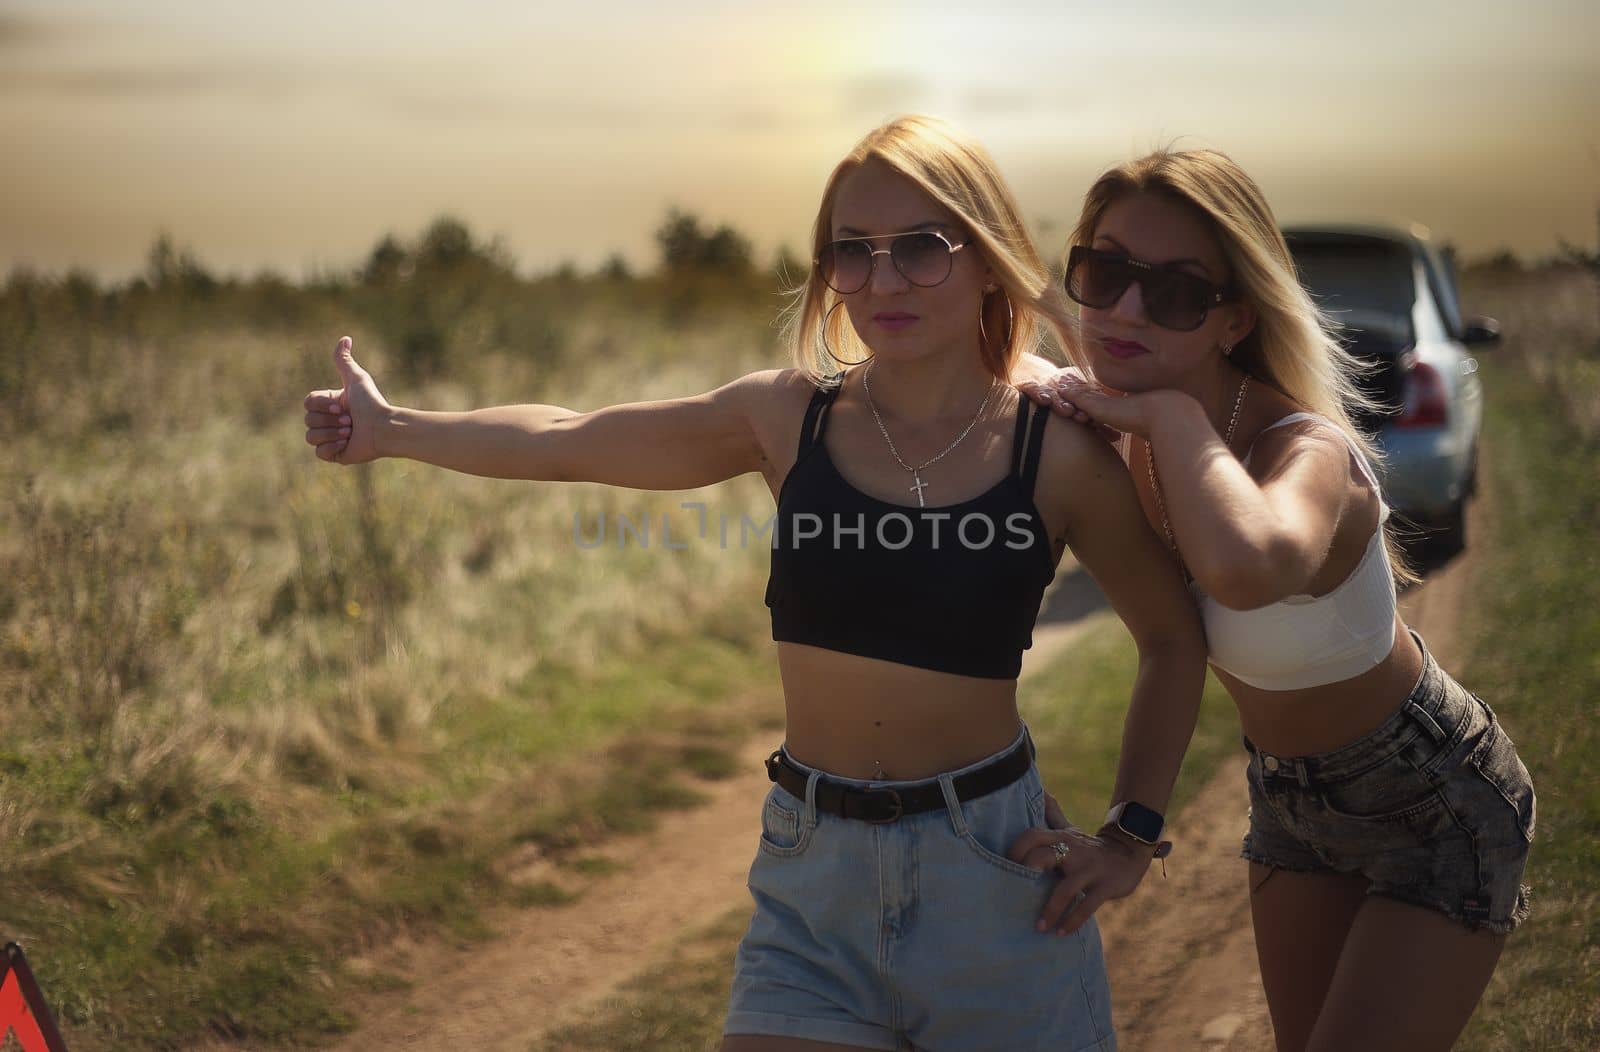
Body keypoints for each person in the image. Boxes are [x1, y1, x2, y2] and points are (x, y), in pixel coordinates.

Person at [304, 116, 1207, 1051]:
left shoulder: (1054, 450)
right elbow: (568, 437)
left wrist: (1131, 835)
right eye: (851, 253)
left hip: (992, 880)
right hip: (811, 884)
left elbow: (1173, 640)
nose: (882, 280)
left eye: (921, 249)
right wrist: (395, 428)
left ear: (987, 259)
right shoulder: (787, 419)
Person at [1013, 148, 1536, 1052]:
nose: (1126, 310)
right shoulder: (1108, 414)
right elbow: (1168, 647)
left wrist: (1170, 420)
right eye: (1104, 272)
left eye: (1176, 292)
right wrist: (1128, 836)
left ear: (1234, 321)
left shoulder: (1307, 450)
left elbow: (1251, 567)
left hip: (1432, 797)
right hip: (1287, 803)